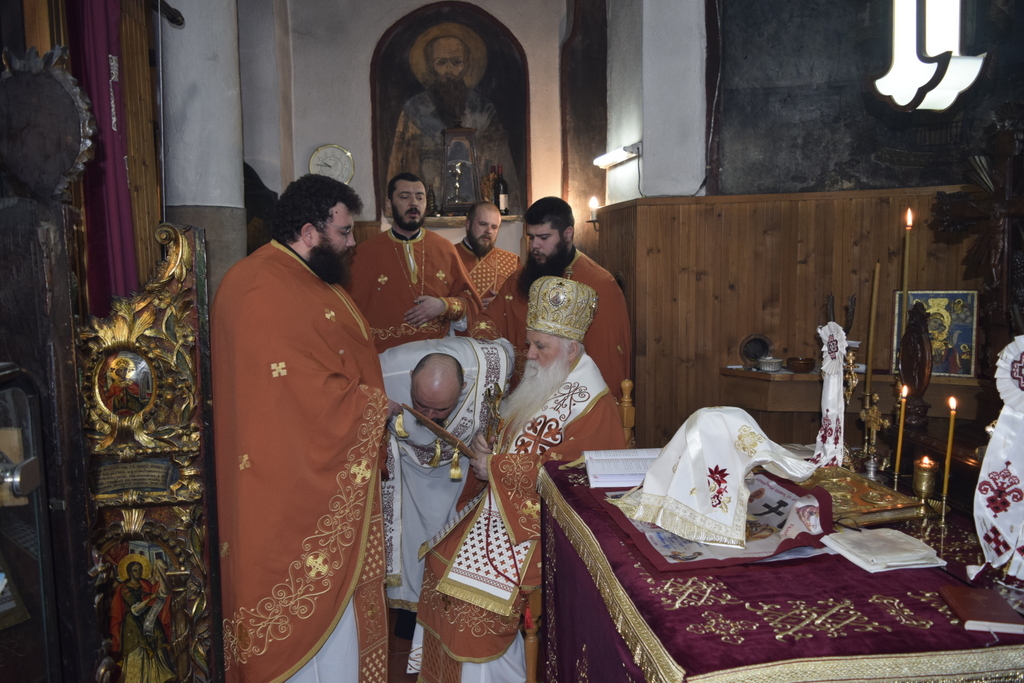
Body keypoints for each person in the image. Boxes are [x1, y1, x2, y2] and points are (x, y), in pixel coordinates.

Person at [212, 174, 389, 683]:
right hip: (283, 486)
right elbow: (298, 394)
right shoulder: (261, 286)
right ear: (310, 232)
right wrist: (369, 406)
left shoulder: (296, 276)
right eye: (345, 231)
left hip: (295, 473)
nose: (352, 243)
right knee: (299, 615)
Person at [414, 276, 626, 683]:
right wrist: (490, 441)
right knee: (437, 561)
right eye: (529, 344)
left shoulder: (593, 405)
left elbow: (574, 477)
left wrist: (495, 467)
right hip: (510, 508)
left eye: (540, 347)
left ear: (571, 349)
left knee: (472, 597)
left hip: (549, 527)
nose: (529, 355)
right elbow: (516, 435)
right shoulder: (548, 376)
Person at [377, 337, 514, 665]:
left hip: (461, 469)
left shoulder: (493, 363)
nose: (428, 416)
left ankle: (445, 615)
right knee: (411, 538)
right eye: (421, 404)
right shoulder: (381, 370)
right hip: (408, 468)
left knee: (450, 538)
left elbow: (507, 364)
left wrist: (490, 439)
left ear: (464, 388)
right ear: (410, 377)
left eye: (440, 409)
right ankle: (410, 617)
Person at [486, 196, 632, 400]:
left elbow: (607, 360)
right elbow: (490, 321)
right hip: (522, 399)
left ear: (567, 234)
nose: (535, 246)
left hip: (572, 403)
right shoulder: (520, 278)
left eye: (544, 237)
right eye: (531, 237)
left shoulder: (600, 285)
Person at [386, 24, 520, 213]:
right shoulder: (414, 110)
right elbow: (401, 162)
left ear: (466, 65)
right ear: (431, 66)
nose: (449, 70)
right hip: (427, 209)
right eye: (441, 62)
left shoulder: (483, 110)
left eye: (456, 62)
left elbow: (500, 161)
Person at [348, 173, 484, 352]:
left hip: (438, 352)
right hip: (385, 356)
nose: (414, 203)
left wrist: (443, 306)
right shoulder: (365, 252)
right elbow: (348, 313)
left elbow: (472, 303)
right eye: (405, 197)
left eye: (420, 198)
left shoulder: (444, 248)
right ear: (389, 204)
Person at [109, 555, 175, 683]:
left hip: (148, 617)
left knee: (158, 635)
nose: (138, 572)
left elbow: (161, 592)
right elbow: (135, 609)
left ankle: (159, 676)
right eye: (135, 570)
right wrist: (151, 598)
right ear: (129, 572)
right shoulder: (125, 588)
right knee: (139, 647)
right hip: (133, 621)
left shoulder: (146, 584)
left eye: (140, 570)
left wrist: (160, 573)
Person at [455, 202, 520, 309]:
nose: (489, 231)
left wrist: (504, 302)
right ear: (468, 224)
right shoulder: (448, 256)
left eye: (494, 227)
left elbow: (522, 302)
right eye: (483, 224)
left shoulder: (511, 262)